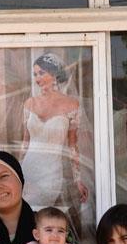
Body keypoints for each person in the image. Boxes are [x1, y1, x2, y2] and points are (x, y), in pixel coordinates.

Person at [20, 52, 88, 209]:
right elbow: (25, 143)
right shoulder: (29, 103)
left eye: (41, 73)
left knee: (42, 217)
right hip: (28, 171)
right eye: (35, 74)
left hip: (51, 173)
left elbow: (72, 146)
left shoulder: (72, 105)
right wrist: (17, 173)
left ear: (54, 73)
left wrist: (77, 180)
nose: (37, 79)